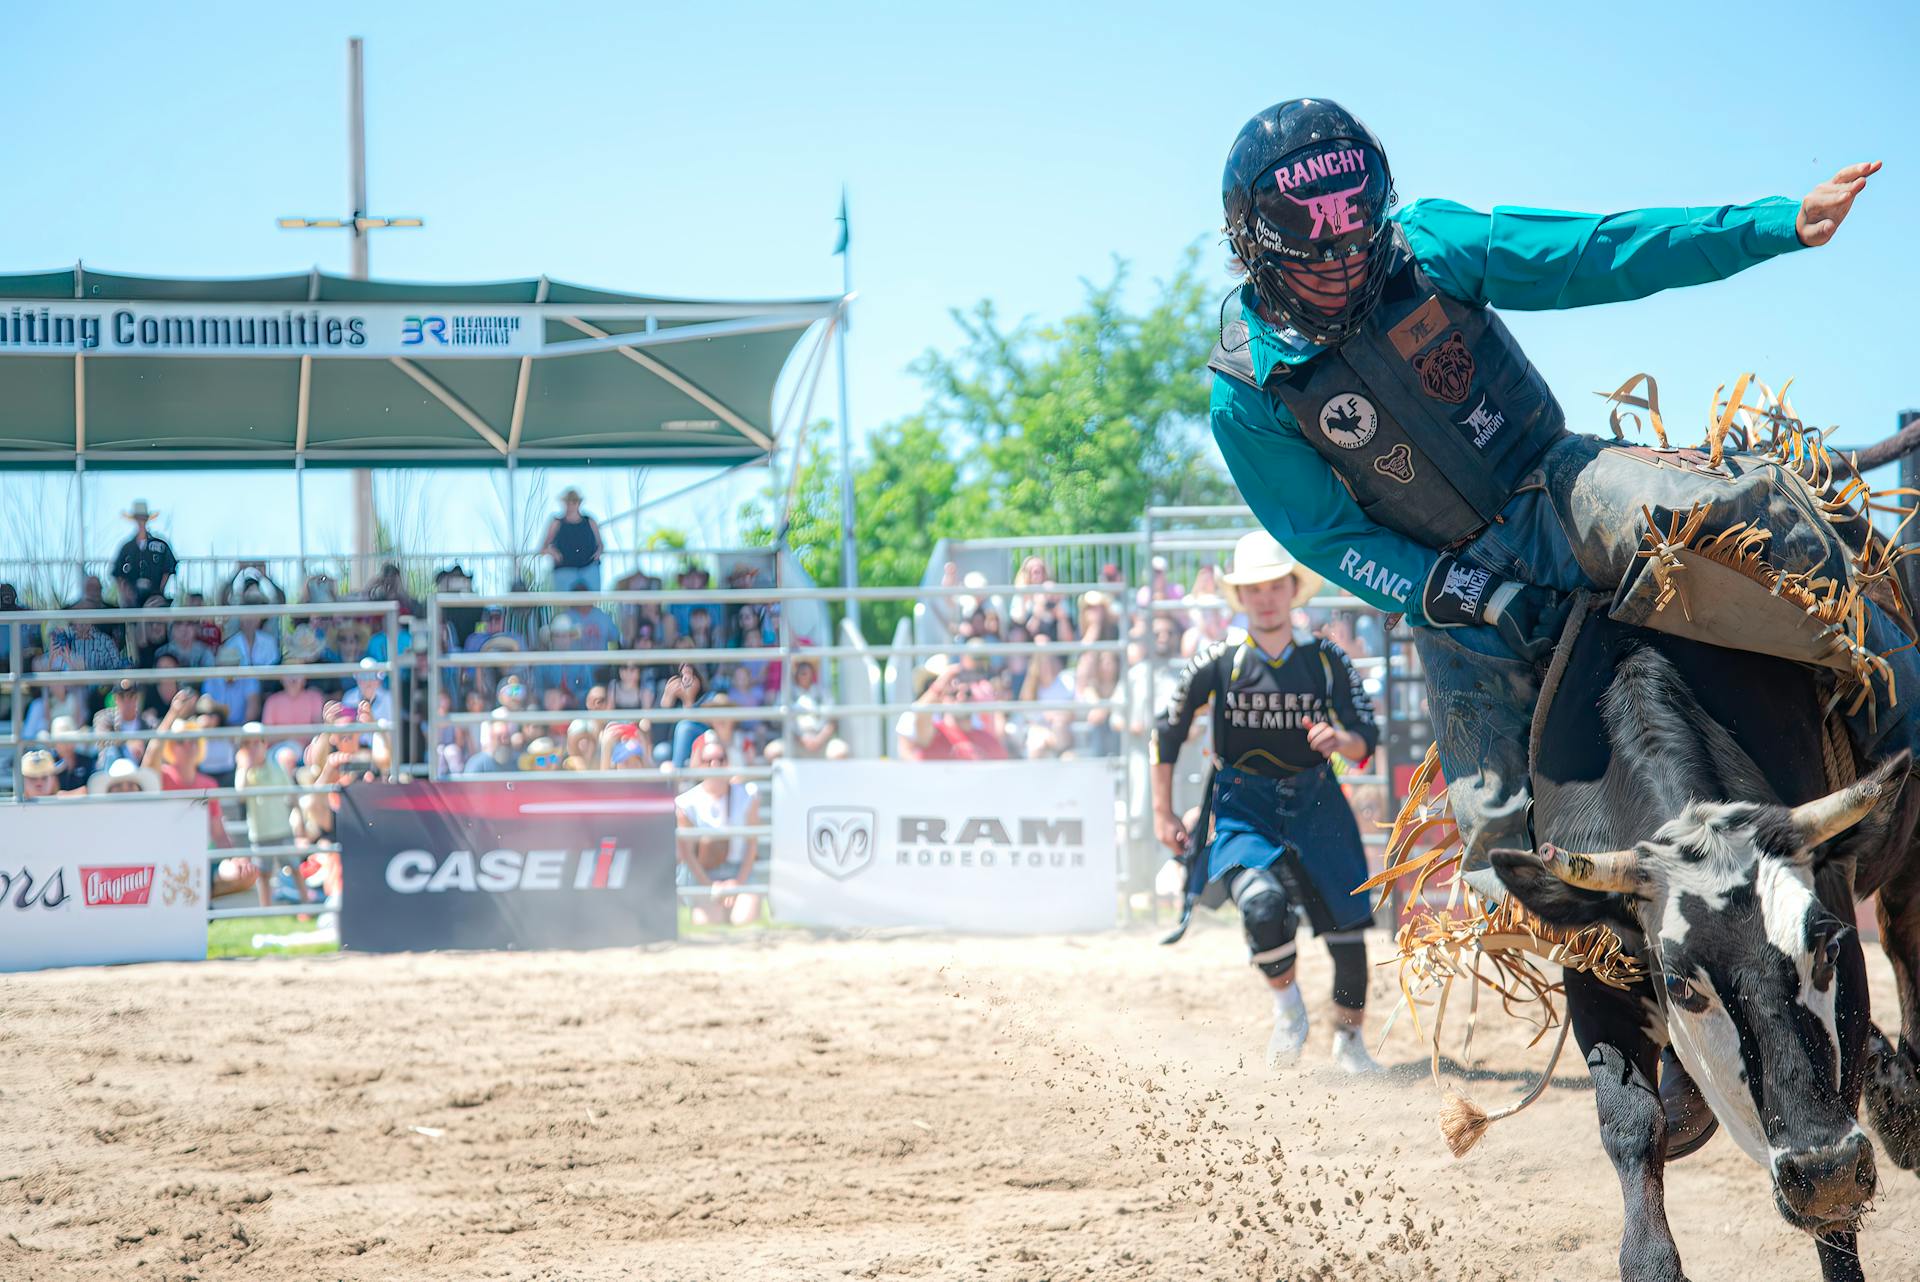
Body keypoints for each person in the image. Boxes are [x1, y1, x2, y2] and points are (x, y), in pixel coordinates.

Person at [1209, 98, 1912, 886]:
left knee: (1753, 521)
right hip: (1450, 575)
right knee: (1496, 850)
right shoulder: (1248, 389)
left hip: (1560, 484)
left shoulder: (1432, 244)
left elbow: (1598, 251)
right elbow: (1324, 535)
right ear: (1254, 247)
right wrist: (1465, 591)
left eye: (1357, 239)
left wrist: (1777, 223)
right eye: (1315, 257)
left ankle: (1893, 697)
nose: (1343, 265)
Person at [1152, 532, 1380, 1074]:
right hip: (1242, 806)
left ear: (1292, 590)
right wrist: (1162, 813)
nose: (1266, 597)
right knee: (1261, 906)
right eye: (1254, 588)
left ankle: (1349, 1042)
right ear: (1241, 597)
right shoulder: (1218, 660)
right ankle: (1289, 1012)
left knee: (1348, 929)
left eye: (1275, 585)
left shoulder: (1325, 659)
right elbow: (1166, 732)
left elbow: (1365, 734)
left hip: (1319, 802)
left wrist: (1339, 742)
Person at [675, 732, 762, 926]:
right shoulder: (686, 803)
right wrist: (711, 886)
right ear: (700, 765)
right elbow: (687, 855)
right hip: (704, 874)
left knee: (744, 920)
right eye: (708, 761)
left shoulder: (748, 795)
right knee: (706, 923)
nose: (714, 765)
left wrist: (737, 883)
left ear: (727, 763)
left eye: (720, 759)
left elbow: (752, 844)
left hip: (740, 870)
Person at [111, 500, 176, 606]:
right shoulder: (127, 547)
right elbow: (118, 573)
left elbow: (167, 569)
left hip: (154, 596)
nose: (141, 522)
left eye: (143, 519)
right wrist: (126, 593)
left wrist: (159, 590)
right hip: (132, 598)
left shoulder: (160, 545)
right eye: (138, 519)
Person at [541, 488, 605, 591]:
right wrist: (553, 552)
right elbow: (543, 548)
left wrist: (598, 553)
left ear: (579, 503)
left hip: (588, 567)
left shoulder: (590, 521)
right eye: (567, 502)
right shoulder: (557, 523)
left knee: (591, 600)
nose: (570, 505)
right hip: (564, 569)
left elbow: (600, 544)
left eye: (574, 502)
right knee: (565, 603)